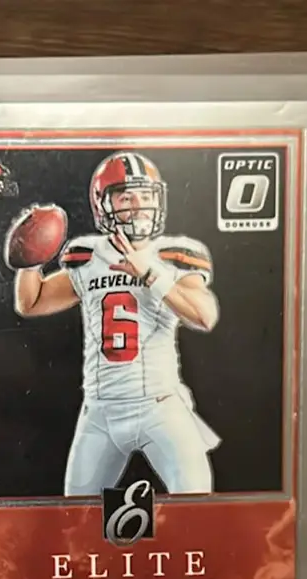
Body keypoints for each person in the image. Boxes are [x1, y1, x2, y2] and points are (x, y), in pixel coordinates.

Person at [12, 151, 221, 496]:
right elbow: (31, 303)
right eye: (126, 197)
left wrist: (150, 273)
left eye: (146, 195)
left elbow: (204, 315)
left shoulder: (173, 254)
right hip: (100, 411)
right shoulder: (88, 256)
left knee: (195, 503)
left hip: (160, 406)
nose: (139, 206)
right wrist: (30, 259)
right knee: (77, 515)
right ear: (103, 205)